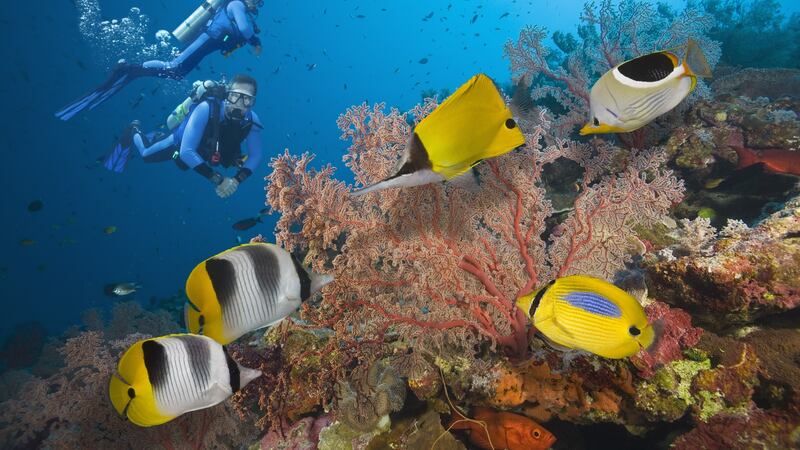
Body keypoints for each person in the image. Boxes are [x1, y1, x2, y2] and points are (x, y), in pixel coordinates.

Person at [56, 0, 263, 121]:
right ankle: (128, 68)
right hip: (206, 39)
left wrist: (248, 35)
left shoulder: (239, 9)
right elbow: (244, 29)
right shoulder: (237, 3)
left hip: (208, 42)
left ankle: (133, 70)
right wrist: (254, 40)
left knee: (177, 72)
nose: (258, 4)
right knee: (175, 67)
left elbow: (239, 31)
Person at [108, 74, 263, 199]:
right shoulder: (206, 108)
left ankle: (157, 135)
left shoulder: (252, 120)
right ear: (227, 95)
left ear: (253, 102)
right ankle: (134, 129)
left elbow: (256, 155)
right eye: (235, 96)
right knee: (146, 154)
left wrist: (236, 180)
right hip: (180, 143)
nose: (239, 104)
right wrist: (219, 180)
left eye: (247, 99)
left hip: (206, 151)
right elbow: (186, 151)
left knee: (186, 164)